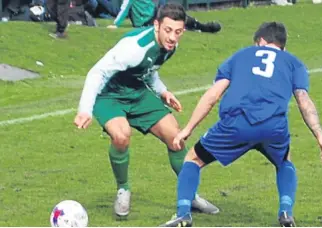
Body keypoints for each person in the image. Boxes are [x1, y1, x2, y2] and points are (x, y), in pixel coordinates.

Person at [160, 21, 322, 227]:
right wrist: (321, 138)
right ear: (283, 47)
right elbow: (304, 101)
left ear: (260, 42)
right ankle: (286, 213)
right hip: (273, 128)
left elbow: (213, 95)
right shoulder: (293, 62)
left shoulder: (241, 55)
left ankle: (183, 215)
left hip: (236, 124)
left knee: (193, 159)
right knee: (284, 161)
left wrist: (187, 129)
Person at [73, 3, 219, 217]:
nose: (172, 37)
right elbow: (97, 73)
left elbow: (149, 71)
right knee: (122, 136)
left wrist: (163, 92)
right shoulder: (134, 47)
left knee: (175, 137)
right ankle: (123, 189)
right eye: (168, 30)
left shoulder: (170, 47)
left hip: (138, 93)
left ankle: (191, 196)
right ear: (157, 25)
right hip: (109, 95)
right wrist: (85, 109)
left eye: (177, 32)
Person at [106, 0, 221, 33]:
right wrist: (116, 24)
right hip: (146, 21)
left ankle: (200, 27)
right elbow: (124, 8)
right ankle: (202, 27)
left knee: (174, 13)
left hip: (153, 14)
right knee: (173, 15)